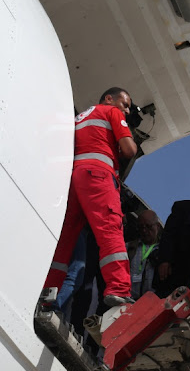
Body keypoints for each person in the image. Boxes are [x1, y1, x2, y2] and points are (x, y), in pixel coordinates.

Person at [44, 87, 138, 307]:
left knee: (66, 238)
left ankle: (47, 291)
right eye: (125, 104)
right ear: (109, 99)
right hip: (98, 175)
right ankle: (119, 288)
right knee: (110, 227)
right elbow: (130, 150)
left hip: (75, 179)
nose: (126, 111)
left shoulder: (79, 118)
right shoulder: (111, 112)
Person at [126, 210, 160, 300]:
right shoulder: (129, 247)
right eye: (141, 227)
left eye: (148, 226)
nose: (144, 230)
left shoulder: (163, 251)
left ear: (158, 226)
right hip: (128, 301)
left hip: (152, 302)